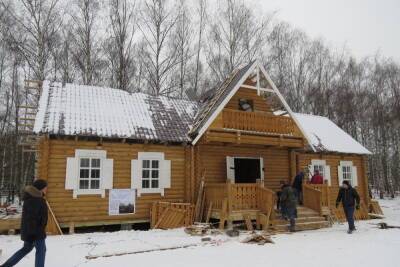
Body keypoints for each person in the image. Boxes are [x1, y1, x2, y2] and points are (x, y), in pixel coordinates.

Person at [1, 179, 48, 267]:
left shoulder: (31, 198)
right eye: (45, 188)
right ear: (40, 188)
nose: (46, 189)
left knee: (26, 249)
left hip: (29, 231)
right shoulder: (37, 200)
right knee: (41, 251)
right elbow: (32, 218)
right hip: (36, 232)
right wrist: (36, 232)